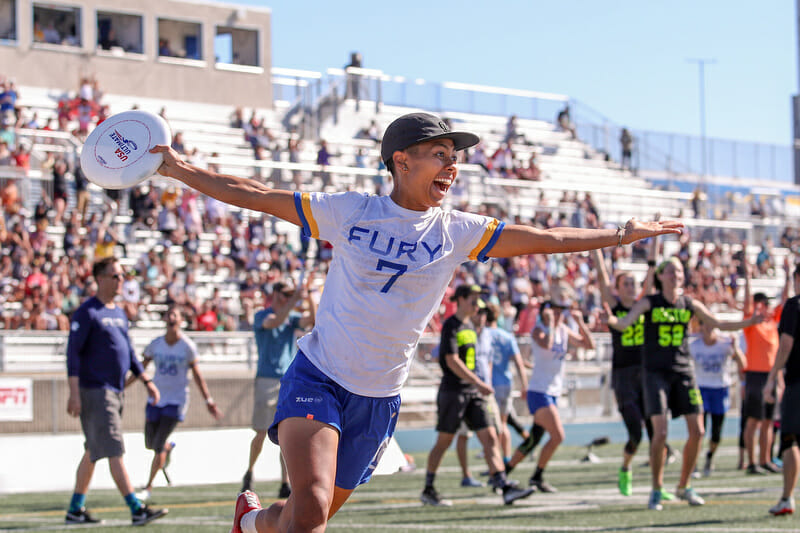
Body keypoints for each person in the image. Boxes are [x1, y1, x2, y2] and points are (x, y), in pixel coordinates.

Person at [150, 111, 682, 533]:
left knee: (300, 520)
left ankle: (248, 522)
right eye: (439, 155)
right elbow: (256, 195)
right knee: (309, 511)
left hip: (380, 398)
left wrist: (618, 236)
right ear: (400, 161)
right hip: (319, 376)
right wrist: (179, 169)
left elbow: (549, 240)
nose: (452, 167)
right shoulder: (351, 210)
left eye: (455, 159)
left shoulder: (459, 230)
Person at [605, 257, 764, 511]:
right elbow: (624, 323)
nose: (675, 275)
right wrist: (610, 320)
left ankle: (684, 485)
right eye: (670, 271)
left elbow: (719, 323)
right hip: (654, 373)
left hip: (683, 371)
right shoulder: (650, 302)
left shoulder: (689, 303)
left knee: (698, 431)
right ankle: (657, 489)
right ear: (660, 276)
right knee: (660, 433)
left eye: (678, 271)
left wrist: (750, 322)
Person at [64, 257, 167, 526]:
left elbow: (129, 353)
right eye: (115, 275)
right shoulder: (88, 312)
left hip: (115, 389)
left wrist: (147, 380)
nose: (121, 279)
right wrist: (73, 392)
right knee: (113, 448)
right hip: (96, 390)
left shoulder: (119, 312)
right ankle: (136, 508)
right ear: (99, 279)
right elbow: (72, 353)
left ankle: (75, 509)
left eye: (122, 275)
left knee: (94, 450)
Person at [422, 284, 530, 506]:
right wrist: (479, 382)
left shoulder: (471, 327)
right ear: (460, 300)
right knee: (444, 441)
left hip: (473, 392)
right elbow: (452, 361)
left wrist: (480, 384)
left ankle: (503, 485)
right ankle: (429, 488)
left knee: (491, 437)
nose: (476, 304)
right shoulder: (451, 326)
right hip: (454, 392)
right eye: (472, 299)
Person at [592, 245, 678, 497]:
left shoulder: (644, 305)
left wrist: (654, 244)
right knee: (636, 434)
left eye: (633, 282)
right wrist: (596, 250)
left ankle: (658, 485)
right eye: (625, 283)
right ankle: (625, 468)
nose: (630, 286)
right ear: (617, 288)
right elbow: (601, 277)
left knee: (656, 434)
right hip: (623, 377)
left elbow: (651, 276)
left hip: (646, 375)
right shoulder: (615, 307)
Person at [504, 283, 595, 493]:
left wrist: (581, 323)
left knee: (534, 440)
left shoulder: (563, 329)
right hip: (539, 391)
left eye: (560, 310)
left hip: (552, 391)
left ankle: (504, 473)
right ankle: (536, 475)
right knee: (558, 436)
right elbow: (546, 344)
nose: (559, 313)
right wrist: (553, 325)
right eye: (554, 309)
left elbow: (589, 345)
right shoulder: (540, 330)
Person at [132, 306, 222, 502]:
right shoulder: (156, 344)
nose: (171, 318)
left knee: (156, 446)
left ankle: (149, 486)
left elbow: (197, 374)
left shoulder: (187, 346)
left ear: (181, 320)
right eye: (169, 315)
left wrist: (209, 400)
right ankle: (167, 447)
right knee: (150, 443)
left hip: (176, 401)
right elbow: (141, 368)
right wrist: (123, 385)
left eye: (175, 315)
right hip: (156, 399)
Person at [241, 276, 316, 499]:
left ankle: (285, 482)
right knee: (261, 432)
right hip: (266, 379)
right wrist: (295, 299)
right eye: (285, 294)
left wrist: (309, 294)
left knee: (286, 434)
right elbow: (274, 321)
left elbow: (311, 319)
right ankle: (250, 472)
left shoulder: (290, 316)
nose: (289, 298)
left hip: (287, 380)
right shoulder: (262, 316)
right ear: (276, 294)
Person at [742, 260, 790, 475]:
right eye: (762, 304)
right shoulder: (752, 323)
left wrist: (788, 275)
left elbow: (787, 302)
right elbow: (746, 304)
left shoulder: (772, 324)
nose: (766, 307)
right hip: (755, 377)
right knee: (754, 421)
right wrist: (748, 276)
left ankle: (765, 459)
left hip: (771, 376)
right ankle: (751, 462)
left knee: (769, 421)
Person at [764, 264, 800, 515]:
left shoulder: (794, 305)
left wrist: (772, 377)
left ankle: (787, 498)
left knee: (790, 440)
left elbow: (786, 345)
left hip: (797, 382)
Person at [689, 317, 745, 477]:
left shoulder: (725, 344)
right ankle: (693, 464)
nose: (708, 329)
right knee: (699, 430)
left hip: (720, 390)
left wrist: (736, 348)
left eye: (711, 325)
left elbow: (743, 364)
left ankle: (710, 456)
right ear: (700, 327)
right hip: (701, 390)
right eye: (705, 325)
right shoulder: (694, 346)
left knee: (716, 432)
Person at [485, 302, 529, 465]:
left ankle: (496, 462)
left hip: (489, 386)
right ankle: (506, 458)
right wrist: (524, 385)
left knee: (493, 426)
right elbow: (519, 363)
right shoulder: (506, 336)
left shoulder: (482, 334)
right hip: (506, 384)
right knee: (503, 424)